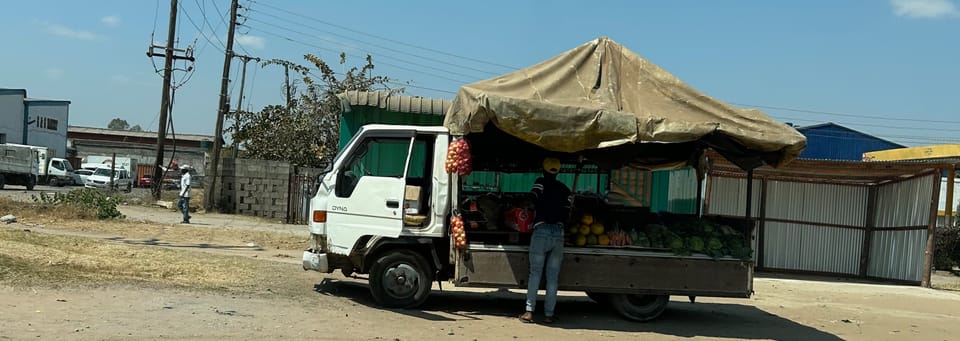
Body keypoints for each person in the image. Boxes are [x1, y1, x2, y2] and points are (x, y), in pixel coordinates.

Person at [519, 157, 572, 324]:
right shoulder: (564, 189)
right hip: (558, 233)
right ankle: (549, 314)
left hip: (541, 231)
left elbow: (532, 197)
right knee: (552, 277)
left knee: (535, 273)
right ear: (558, 171)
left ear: (543, 169)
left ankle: (529, 312)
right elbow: (568, 211)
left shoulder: (540, 182)